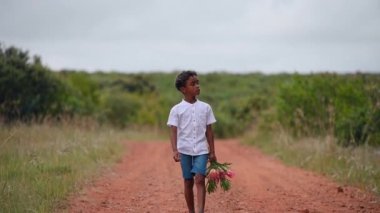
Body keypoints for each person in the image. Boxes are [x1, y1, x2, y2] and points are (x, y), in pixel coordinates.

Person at [167, 70, 217, 213]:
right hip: (184, 150)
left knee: (200, 179)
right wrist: (175, 150)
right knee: (188, 181)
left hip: (202, 149)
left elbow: (209, 131)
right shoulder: (176, 110)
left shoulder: (206, 107)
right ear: (183, 89)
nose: (197, 86)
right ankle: (191, 211)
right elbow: (173, 131)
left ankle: (200, 211)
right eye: (193, 84)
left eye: (198, 83)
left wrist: (212, 152)